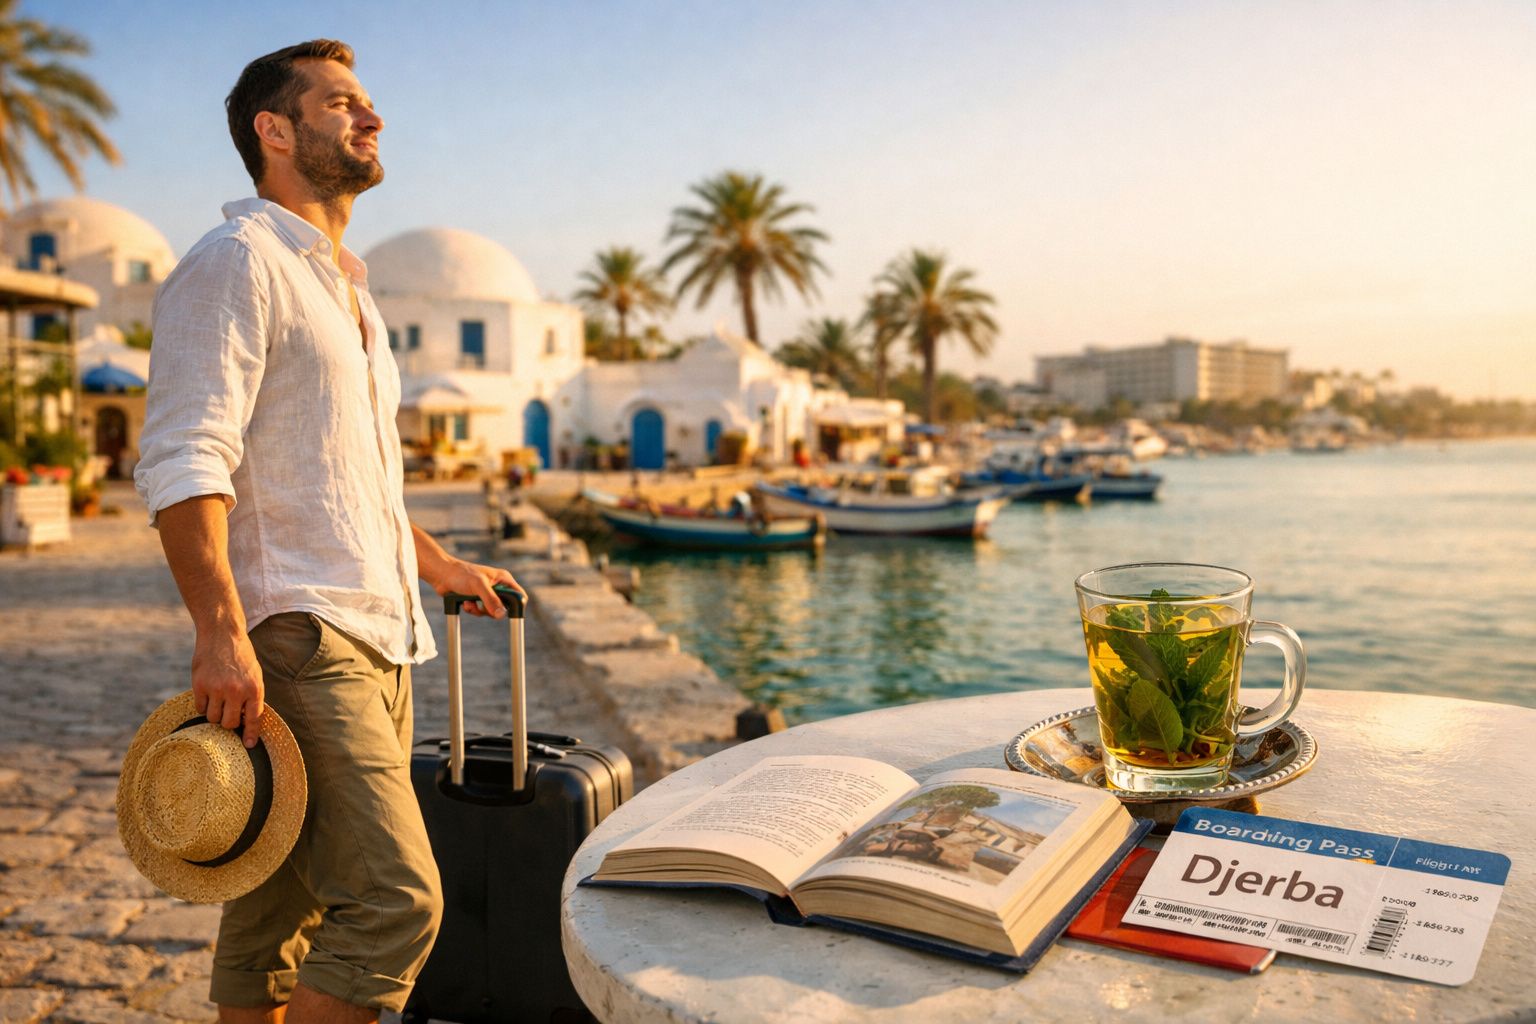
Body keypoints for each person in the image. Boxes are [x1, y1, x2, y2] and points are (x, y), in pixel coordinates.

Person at [134, 39, 522, 1024]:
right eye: (342, 102)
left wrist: (437, 563)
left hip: (380, 636)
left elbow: (352, 475)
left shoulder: (347, 287)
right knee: (396, 902)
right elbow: (186, 461)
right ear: (276, 129)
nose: (372, 117)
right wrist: (220, 631)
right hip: (301, 640)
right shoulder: (237, 264)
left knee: (278, 910)